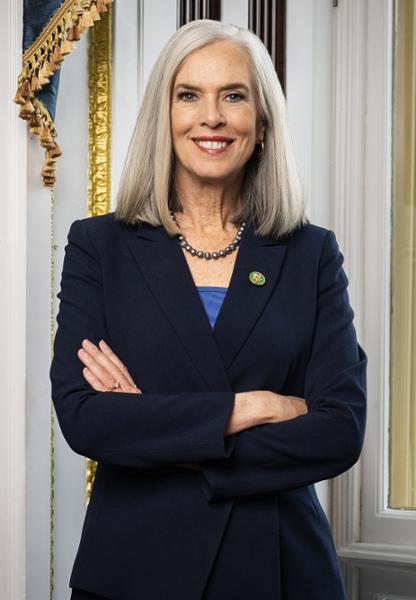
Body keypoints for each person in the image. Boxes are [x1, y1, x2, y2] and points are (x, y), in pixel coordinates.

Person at [50, 18, 367, 600]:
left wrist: (158, 428)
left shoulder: (311, 253)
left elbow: (339, 431)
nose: (212, 117)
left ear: (262, 125)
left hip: (279, 571)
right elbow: (86, 419)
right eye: (189, 94)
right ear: (163, 116)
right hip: (135, 569)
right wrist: (254, 406)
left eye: (234, 96)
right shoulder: (100, 246)